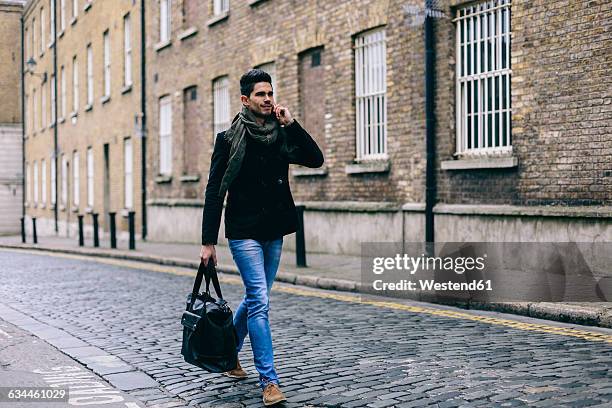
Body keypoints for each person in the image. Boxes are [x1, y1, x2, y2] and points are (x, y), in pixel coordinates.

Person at [200, 69, 324, 406]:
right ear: (245, 100)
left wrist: (293, 124)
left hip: (274, 231)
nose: (268, 99)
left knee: (258, 298)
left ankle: (229, 353)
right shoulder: (228, 139)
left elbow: (315, 159)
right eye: (261, 95)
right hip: (243, 231)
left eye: (270, 93)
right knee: (260, 301)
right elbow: (214, 192)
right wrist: (208, 241)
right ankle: (269, 382)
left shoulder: (281, 135)